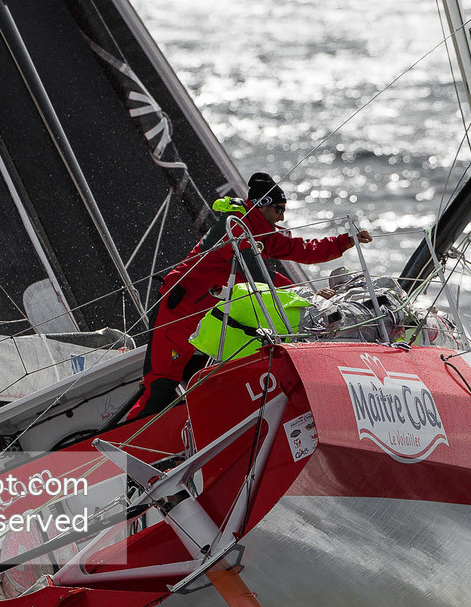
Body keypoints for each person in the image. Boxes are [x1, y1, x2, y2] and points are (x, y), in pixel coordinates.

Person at [124, 172, 372, 422]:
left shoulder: (261, 230)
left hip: (208, 319)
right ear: (263, 205)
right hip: (178, 314)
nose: (282, 217)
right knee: (160, 389)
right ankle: (115, 449)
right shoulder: (235, 226)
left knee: (203, 388)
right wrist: (306, 296)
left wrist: (346, 241)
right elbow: (256, 273)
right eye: (279, 209)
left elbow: (303, 250)